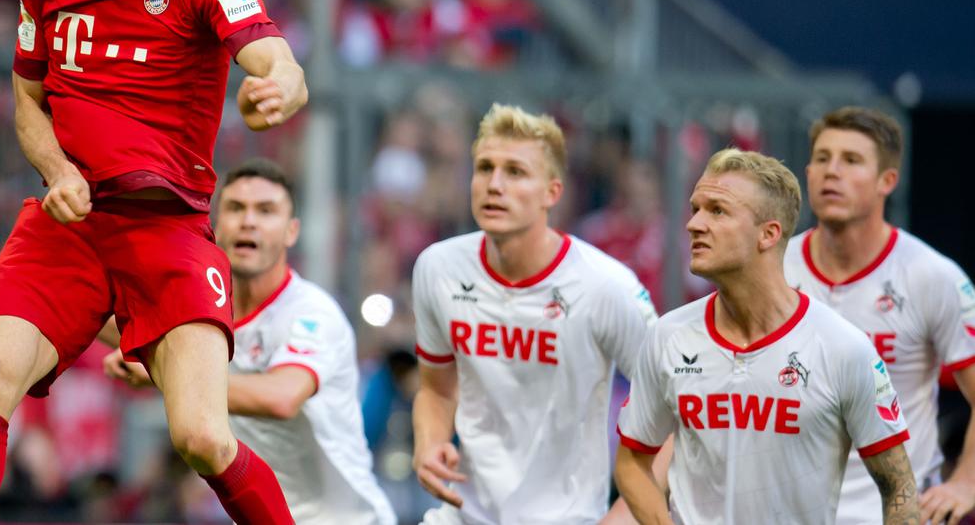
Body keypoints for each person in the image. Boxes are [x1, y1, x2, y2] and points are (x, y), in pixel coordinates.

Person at [0, 0, 306, 524]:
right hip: (66, 228)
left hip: (166, 231)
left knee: (201, 438)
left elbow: (272, 56)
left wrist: (279, 86)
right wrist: (55, 170)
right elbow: (27, 101)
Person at [615, 149, 920, 525]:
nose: (694, 223)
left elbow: (900, 488)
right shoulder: (668, 335)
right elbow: (632, 460)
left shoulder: (843, 347)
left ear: (768, 234)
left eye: (717, 211)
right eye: (696, 209)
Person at [103, 158, 397, 524]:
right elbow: (127, 322)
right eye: (236, 208)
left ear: (291, 232)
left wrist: (173, 376)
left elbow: (281, 397)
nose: (249, 221)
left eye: (266, 210)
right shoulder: (206, 309)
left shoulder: (313, 312)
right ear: (215, 225)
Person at [410, 103, 659, 524]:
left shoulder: (607, 286)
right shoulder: (438, 267)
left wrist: (625, 515)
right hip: (461, 515)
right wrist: (429, 442)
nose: (495, 184)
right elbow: (436, 390)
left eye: (516, 172)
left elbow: (675, 409)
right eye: (485, 168)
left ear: (552, 193)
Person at [783, 107, 975, 525]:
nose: (831, 171)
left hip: (895, 513)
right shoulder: (774, 270)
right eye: (822, 158)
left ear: (887, 181)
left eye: (851, 160)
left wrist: (965, 483)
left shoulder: (932, 276)